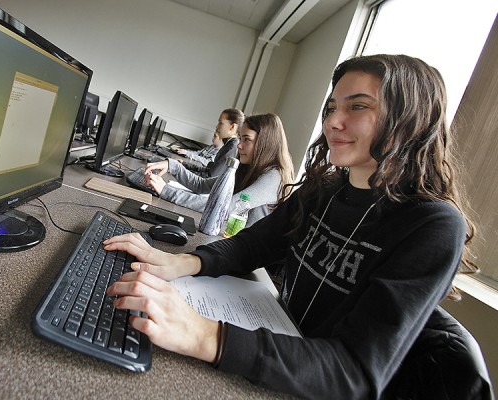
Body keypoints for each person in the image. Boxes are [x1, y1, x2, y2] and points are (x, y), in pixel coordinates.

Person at [103, 54, 477, 398]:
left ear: (409, 119)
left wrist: (201, 333)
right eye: (331, 107)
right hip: (279, 347)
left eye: (358, 106)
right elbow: (251, 245)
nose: (332, 121)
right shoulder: (324, 190)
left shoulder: (433, 225)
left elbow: (353, 372)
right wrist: (181, 263)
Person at [144, 113, 295, 228]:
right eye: (240, 139)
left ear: (265, 143)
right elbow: (203, 185)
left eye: (246, 139)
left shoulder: (274, 177)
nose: (239, 145)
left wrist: (166, 190)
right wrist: (173, 166)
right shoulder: (248, 169)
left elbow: (222, 208)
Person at [181, 108, 244, 178]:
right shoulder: (228, 145)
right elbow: (209, 170)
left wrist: (180, 170)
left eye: (221, 123)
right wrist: (184, 165)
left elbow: (209, 176)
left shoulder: (232, 148)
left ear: (232, 127)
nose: (217, 126)